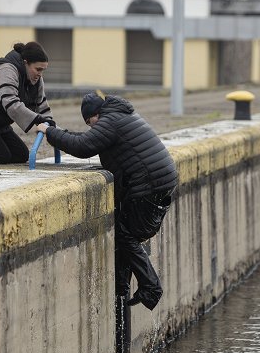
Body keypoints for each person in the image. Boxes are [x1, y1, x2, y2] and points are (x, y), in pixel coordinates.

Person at [37, 92, 178, 310]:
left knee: (125, 235)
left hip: (150, 185)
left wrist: (49, 132)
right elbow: (86, 140)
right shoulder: (120, 115)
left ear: (94, 115)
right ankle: (122, 288)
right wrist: (61, 133)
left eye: (90, 123)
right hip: (159, 181)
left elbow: (82, 147)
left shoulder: (109, 121)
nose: (92, 127)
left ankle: (151, 287)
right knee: (126, 234)